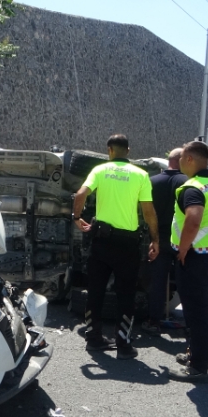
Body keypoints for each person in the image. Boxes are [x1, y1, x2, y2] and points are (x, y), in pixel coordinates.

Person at [72, 134, 159, 359]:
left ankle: (93, 339)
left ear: (109, 149)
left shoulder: (100, 170)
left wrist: (76, 217)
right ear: (128, 151)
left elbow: (80, 194)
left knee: (96, 291)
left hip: (101, 241)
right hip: (127, 244)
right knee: (126, 294)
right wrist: (155, 239)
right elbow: (148, 212)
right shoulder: (141, 175)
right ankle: (123, 344)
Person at [168, 141, 208, 382]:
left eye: (182, 157)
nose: (180, 161)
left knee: (197, 314)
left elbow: (193, 220)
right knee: (200, 309)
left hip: (196, 259)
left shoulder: (193, 188)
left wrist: (183, 250)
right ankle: (195, 352)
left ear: (190, 159)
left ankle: (197, 367)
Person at [141, 148, 187, 336]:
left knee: (158, 281)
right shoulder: (188, 183)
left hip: (158, 237)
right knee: (186, 282)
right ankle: (191, 322)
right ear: (183, 160)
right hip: (182, 238)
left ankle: (154, 320)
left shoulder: (152, 182)